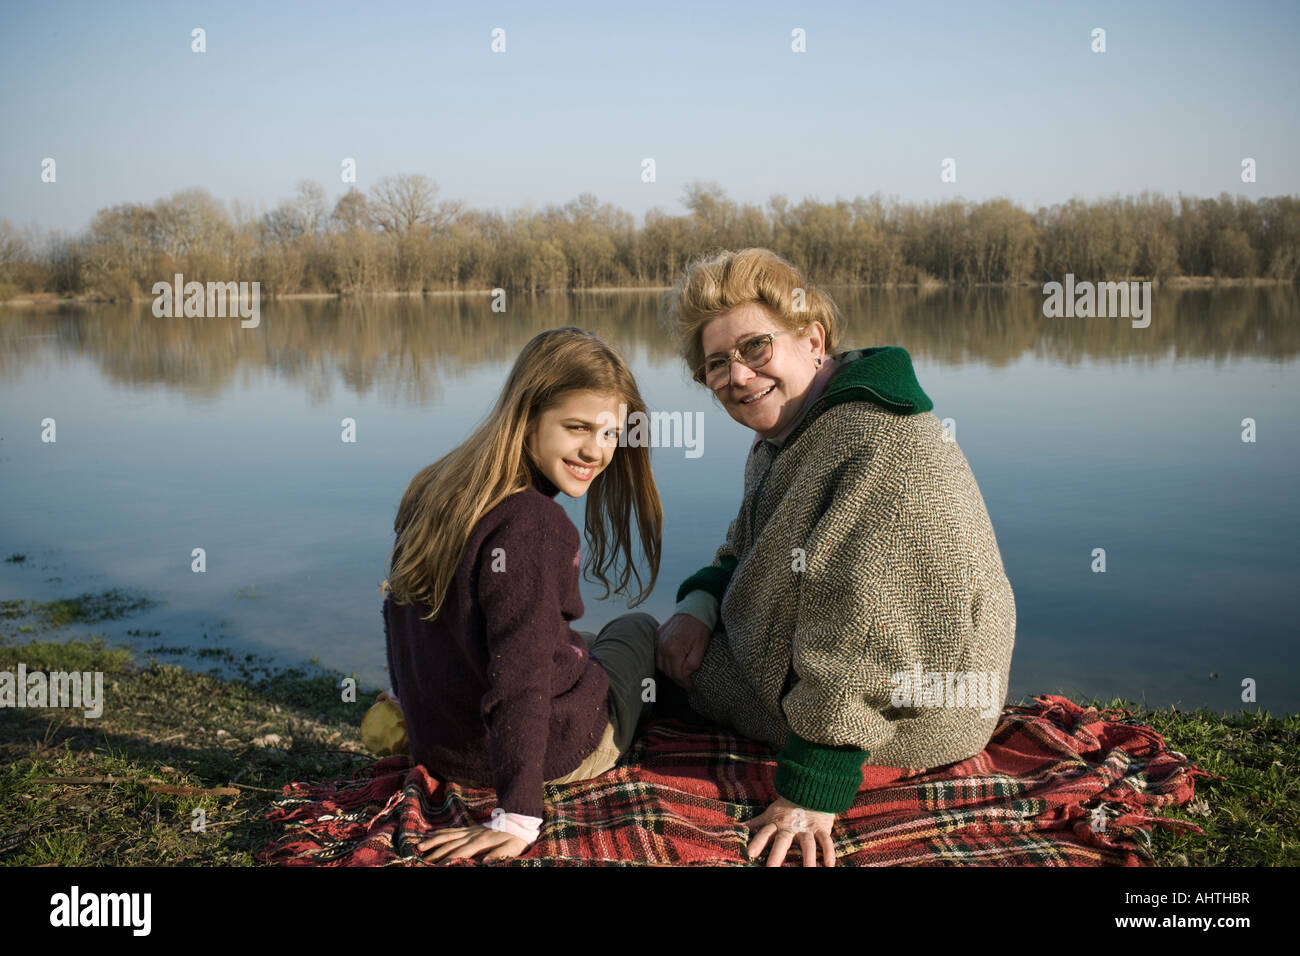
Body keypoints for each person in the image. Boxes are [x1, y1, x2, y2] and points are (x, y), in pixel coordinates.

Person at [656, 248, 1017, 867]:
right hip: (797, 670)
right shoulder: (787, 433)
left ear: (813, 340)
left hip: (909, 716)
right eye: (716, 364)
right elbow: (741, 549)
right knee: (645, 646)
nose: (737, 377)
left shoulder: (877, 441)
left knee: (622, 657)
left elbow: (873, 625)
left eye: (755, 348)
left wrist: (811, 789)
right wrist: (697, 606)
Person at [381, 327, 662, 863]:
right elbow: (522, 677)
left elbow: (401, 614)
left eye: (610, 434)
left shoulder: (436, 485)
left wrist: (409, 702)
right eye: (577, 428)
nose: (596, 451)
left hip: (444, 748)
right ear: (527, 415)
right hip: (554, 750)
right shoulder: (535, 526)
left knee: (573, 636)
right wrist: (516, 816)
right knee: (637, 629)